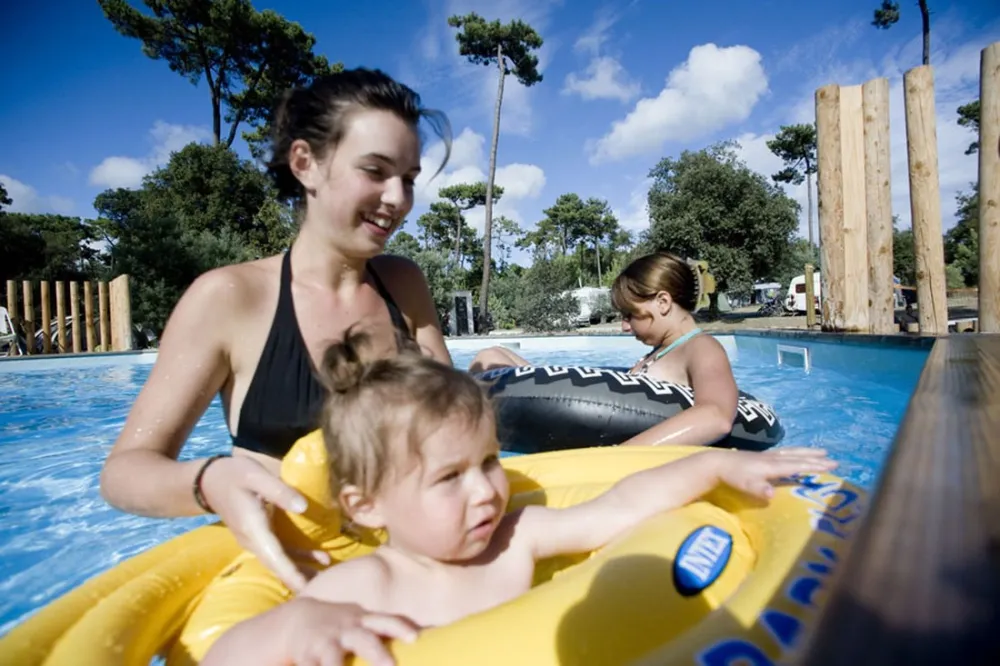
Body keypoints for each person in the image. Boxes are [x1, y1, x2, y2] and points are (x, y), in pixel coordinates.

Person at [202, 328, 836, 665]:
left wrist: (714, 472)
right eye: (450, 478)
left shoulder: (515, 539)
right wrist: (299, 621)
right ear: (365, 506)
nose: (485, 492)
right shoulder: (360, 587)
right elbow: (225, 655)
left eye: (488, 462)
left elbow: (620, 505)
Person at [99, 68, 454, 595]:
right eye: (376, 171)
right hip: (294, 580)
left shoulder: (404, 285)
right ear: (306, 163)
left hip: (416, 561)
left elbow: (453, 431)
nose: (398, 198)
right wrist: (207, 480)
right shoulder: (230, 298)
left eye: (408, 178)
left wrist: (479, 382)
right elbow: (125, 472)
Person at [468, 251, 740, 447]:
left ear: (662, 302)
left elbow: (716, 416)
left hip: (622, 451)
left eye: (630, 315)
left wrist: (622, 458)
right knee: (491, 356)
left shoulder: (701, 348)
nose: (624, 327)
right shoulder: (660, 351)